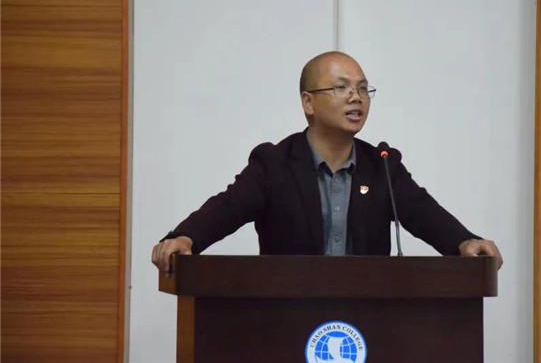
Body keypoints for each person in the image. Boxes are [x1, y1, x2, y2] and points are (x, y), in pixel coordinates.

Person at [152, 51, 503, 273]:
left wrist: (464, 242)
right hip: (287, 316)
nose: (356, 97)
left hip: (368, 318)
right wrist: (186, 237)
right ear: (308, 102)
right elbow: (227, 208)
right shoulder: (274, 164)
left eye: (363, 88)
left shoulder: (381, 164)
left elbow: (423, 212)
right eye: (341, 88)